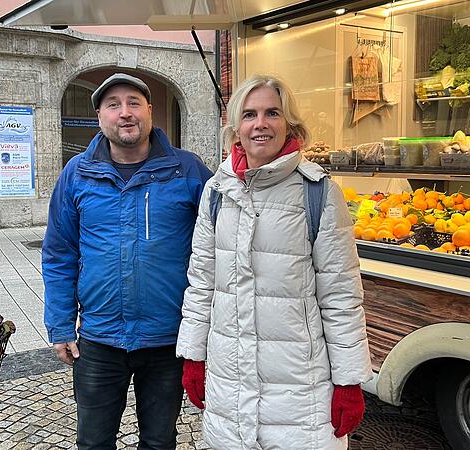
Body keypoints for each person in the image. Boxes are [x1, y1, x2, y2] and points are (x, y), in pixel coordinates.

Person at [177, 74, 373, 449]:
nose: (260, 123)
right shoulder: (216, 192)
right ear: (236, 127)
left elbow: (341, 296)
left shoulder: (318, 193)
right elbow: (201, 282)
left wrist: (348, 381)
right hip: (230, 382)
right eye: (250, 114)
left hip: (300, 387)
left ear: (289, 124)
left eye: (272, 113)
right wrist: (193, 355)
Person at [43, 73, 213, 450]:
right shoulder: (77, 174)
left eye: (134, 103)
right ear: (100, 117)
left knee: (158, 441)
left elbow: (219, 247)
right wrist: (59, 325)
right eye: (113, 105)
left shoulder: (187, 171)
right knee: (94, 441)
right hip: (100, 339)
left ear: (150, 112)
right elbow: (59, 253)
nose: (125, 113)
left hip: (167, 338)